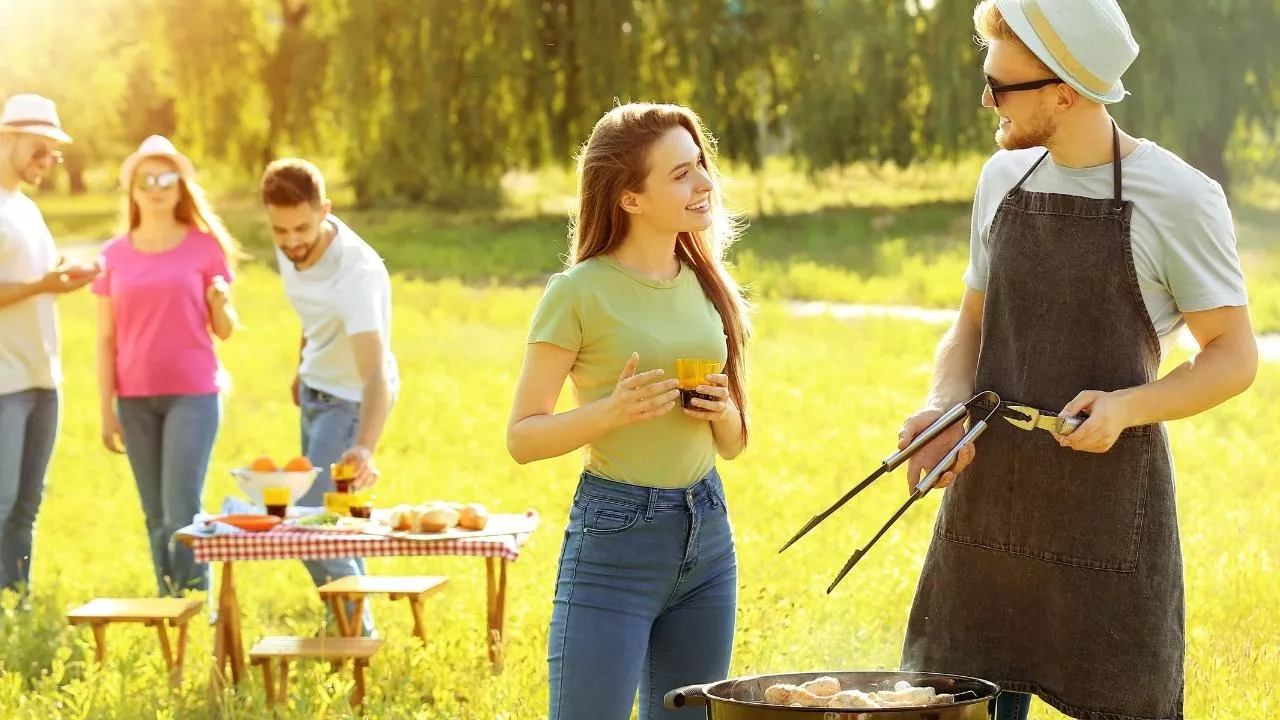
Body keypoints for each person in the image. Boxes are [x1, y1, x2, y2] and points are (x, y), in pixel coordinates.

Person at [897, 2, 1259, 719]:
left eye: (1001, 85)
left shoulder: (1179, 198)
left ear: (1064, 92)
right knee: (953, 702)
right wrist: (943, 406)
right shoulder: (1001, 179)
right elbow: (970, 324)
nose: (985, 97)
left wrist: (1128, 407)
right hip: (990, 500)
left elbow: (1234, 356)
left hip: (1108, 509)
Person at [507, 102, 752, 720]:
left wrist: (721, 409)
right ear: (630, 198)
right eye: (680, 175)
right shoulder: (577, 293)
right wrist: (610, 413)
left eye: (700, 167)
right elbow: (523, 437)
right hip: (614, 539)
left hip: (707, 533)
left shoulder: (706, 282)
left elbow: (734, 442)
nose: (703, 185)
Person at [91, 135, 241, 596]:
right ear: (132, 190)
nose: (156, 188)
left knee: (182, 511)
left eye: (167, 179)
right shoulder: (114, 255)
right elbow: (105, 337)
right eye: (146, 180)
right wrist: (105, 409)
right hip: (133, 399)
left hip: (193, 394)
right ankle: (168, 605)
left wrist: (220, 302)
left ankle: (195, 605)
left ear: (181, 188)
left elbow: (226, 328)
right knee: (154, 515)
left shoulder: (203, 247)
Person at [259, 158, 397, 636]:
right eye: (280, 230)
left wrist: (365, 446)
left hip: (351, 402)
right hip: (317, 395)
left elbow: (376, 372)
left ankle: (357, 635)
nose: (291, 240)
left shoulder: (354, 272)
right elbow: (311, 311)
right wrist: (302, 365)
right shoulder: (291, 244)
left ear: (325, 211)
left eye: (301, 227)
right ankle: (347, 627)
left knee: (310, 525)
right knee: (334, 525)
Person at [0, 93, 99, 598]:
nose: (47, 163)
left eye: (53, 155)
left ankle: (15, 605)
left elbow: (30, 273)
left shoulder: (27, 208)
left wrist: (62, 273)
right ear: (7, 138)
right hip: (4, 384)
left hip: (43, 378)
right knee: (0, 503)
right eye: (39, 151)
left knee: (26, 505)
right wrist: (44, 285)